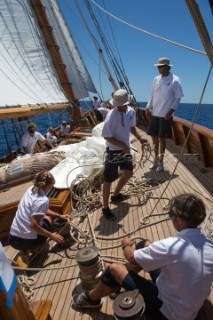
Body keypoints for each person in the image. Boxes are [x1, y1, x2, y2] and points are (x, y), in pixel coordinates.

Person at [72, 193, 213, 320]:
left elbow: (131, 257)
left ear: (180, 221)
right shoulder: (209, 244)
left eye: (172, 217)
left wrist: (125, 245)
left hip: (170, 312)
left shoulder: (171, 246)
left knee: (114, 269)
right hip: (191, 304)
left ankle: (91, 299)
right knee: (144, 245)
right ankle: (117, 283)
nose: (171, 219)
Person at [101, 89, 147, 220]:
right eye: (118, 105)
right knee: (108, 179)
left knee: (128, 173)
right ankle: (105, 208)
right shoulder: (111, 116)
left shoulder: (131, 112)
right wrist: (122, 146)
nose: (119, 107)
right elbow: (106, 136)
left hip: (125, 149)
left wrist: (139, 138)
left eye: (122, 105)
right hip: (113, 151)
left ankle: (115, 196)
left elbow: (132, 127)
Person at [9, 171, 70, 253]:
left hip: (13, 240)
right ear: (49, 185)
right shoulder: (43, 200)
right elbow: (33, 225)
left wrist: (59, 215)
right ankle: (34, 246)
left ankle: (27, 248)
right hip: (28, 242)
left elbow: (41, 210)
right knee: (48, 218)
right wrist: (52, 236)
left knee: (42, 217)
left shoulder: (29, 190)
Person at [146, 57, 184, 172]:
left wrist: (171, 111)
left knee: (162, 139)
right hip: (154, 114)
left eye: (161, 66)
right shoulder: (156, 79)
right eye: (158, 66)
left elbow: (178, 98)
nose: (158, 68)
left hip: (165, 115)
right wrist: (148, 107)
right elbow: (152, 96)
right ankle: (156, 160)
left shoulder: (175, 80)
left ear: (167, 67)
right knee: (154, 139)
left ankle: (161, 163)